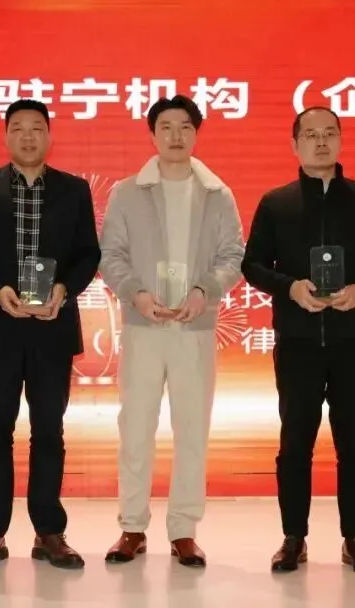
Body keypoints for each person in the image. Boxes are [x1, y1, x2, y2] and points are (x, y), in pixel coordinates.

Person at [241, 106, 355, 576]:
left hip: (354, 340)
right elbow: (253, 265)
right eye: (310, 135)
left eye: (329, 133)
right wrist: (290, 287)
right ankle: (293, 538)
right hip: (298, 341)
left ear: (341, 140)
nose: (320, 142)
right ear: (294, 145)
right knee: (295, 443)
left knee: (354, 444)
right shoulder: (277, 203)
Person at [0, 98, 101, 571]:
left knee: (49, 431)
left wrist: (63, 288)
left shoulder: (73, 190)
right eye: (18, 128)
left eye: (37, 127)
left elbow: (88, 253)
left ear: (49, 135)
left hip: (52, 328)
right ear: (6, 136)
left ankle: (49, 531)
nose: (28, 136)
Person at [98, 95, 245, 568]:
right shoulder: (128, 192)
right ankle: (132, 526)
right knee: (135, 427)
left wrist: (205, 290)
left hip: (194, 328)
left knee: (192, 429)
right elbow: (111, 255)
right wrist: (137, 294)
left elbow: (233, 256)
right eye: (166, 127)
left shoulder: (217, 194)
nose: (176, 135)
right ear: (153, 134)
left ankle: (183, 529)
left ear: (196, 133)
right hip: (144, 325)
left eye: (185, 127)